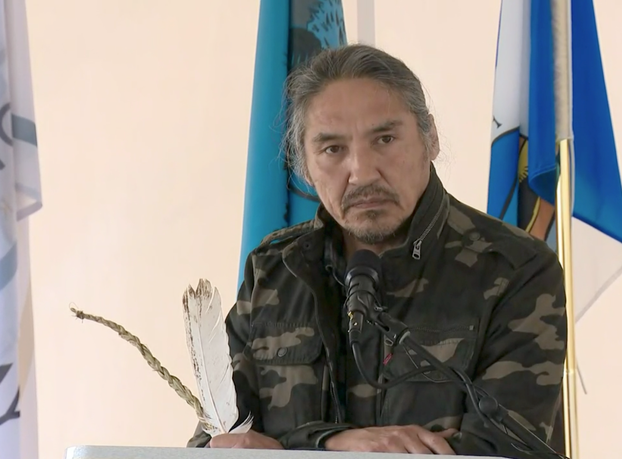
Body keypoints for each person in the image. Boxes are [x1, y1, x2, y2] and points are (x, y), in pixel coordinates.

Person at [187, 43, 567, 457]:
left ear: (430, 138)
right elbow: (216, 443)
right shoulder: (273, 270)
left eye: (384, 138)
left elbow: (503, 450)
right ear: (305, 166)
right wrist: (331, 442)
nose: (362, 172)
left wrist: (295, 449)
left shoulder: (516, 269)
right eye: (333, 149)